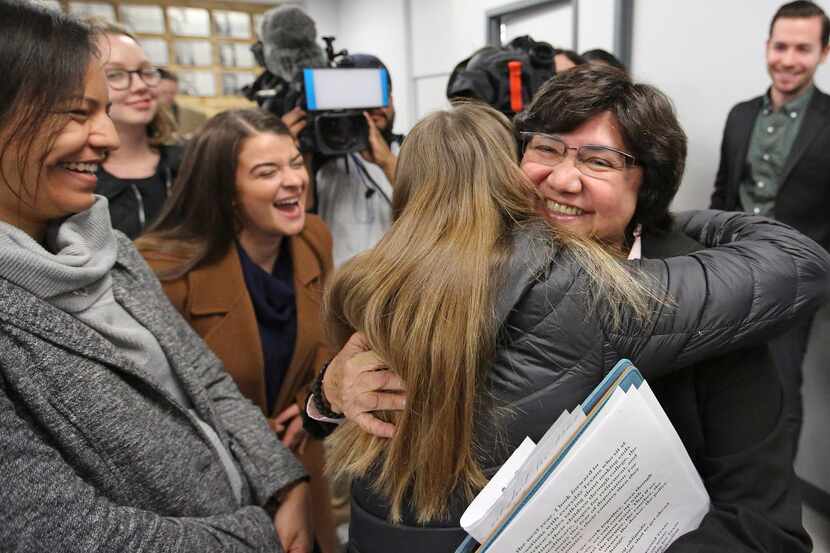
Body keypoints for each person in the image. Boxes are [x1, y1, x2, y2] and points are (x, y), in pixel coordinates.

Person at [306, 98, 829, 552]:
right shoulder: (572, 287)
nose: (562, 178)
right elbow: (795, 260)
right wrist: (330, 391)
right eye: (546, 150)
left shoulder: (371, 280)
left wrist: (324, 397)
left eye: (598, 160)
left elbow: (764, 528)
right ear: (510, 170)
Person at [0, 3, 311, 551]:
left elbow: (205, 381)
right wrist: (261, 533)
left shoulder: (110, 249)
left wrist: (283, 482)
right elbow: (59, 532)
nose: (108, 137)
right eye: (77, 112)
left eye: (104, 110)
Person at [137, 109, 339, 553]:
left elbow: (327, 338)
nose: (293, 181)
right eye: (268, 172)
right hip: (213, 491)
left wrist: (313, 401)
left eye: (296, 163)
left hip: (301, 471)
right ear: (226, 191)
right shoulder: (164, 270)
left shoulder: (313, 238)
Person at [710, 0, 830, 458]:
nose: (788, 59)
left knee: (781, 391)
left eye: (803, 48)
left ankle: (776, 508)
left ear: (823, 53)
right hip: (734, 273)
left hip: (797, 283)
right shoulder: (741, 115)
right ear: (767, 47)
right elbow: (723, 194)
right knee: (722, 383)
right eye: (781, 46)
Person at [313, 53, 404, 267]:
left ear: (391, 99)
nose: (375, 108)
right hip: (339, 292)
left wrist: (387, 163)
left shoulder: (412, 153)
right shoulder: (324, 159)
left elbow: (433, 210)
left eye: (382, 96)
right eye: (363, 99)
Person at [94, 23, 183, 239]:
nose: (140, 85)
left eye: (146, 71)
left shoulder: (188, 163)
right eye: (115, 75)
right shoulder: (75, 181)